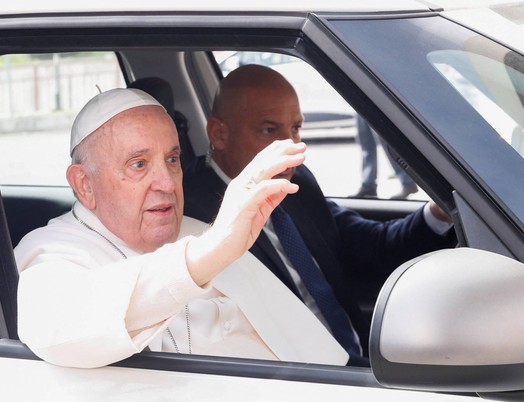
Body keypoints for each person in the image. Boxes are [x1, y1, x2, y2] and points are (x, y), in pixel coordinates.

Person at [15, 88, 349, 369]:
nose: (166, 183)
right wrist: (204, 255)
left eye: (172, 160)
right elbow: (59, 325)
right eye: (139, 164)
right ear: (84, 184)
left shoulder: (198, 229)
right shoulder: (52, 250)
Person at [183, 64, 455, 366]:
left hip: (360, 357)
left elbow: (367, 245)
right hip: (300, 376)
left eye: (296, 128)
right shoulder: (191, 214)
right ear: (219, 134)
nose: (292, 147)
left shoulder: (297, 182)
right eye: (268, 130)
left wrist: (438, 213)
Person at [353, 116, 418, 199]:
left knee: (386, 143)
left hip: (374, 104)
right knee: (366, 142)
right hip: (360, 103)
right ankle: (368, 185)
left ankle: (408, 182)